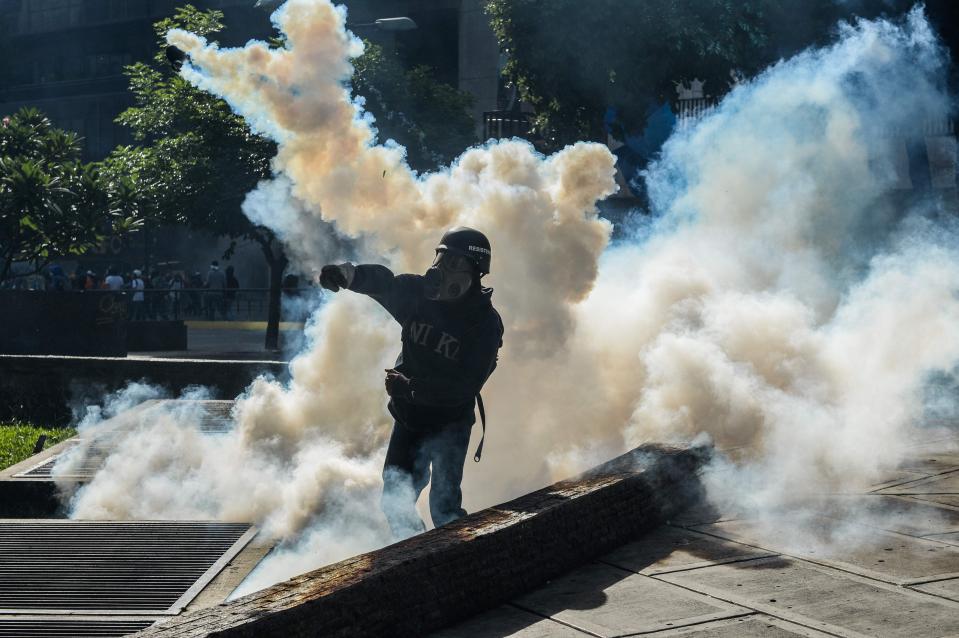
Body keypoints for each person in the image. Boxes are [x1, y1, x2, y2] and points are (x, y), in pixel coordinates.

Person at [320, 227, 504, 538]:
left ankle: (466, 565)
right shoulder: (420, 296)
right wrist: (347, 275)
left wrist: (413, 388)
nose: (442, 270)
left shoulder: (484, 324)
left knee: (445, 511)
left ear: (475, 273)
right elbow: (384, 283)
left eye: (454, 264)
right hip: (410, 418)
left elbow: (465, 387)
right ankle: (415, 561)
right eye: (442, 259)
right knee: (395, 502)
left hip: (450, 423)